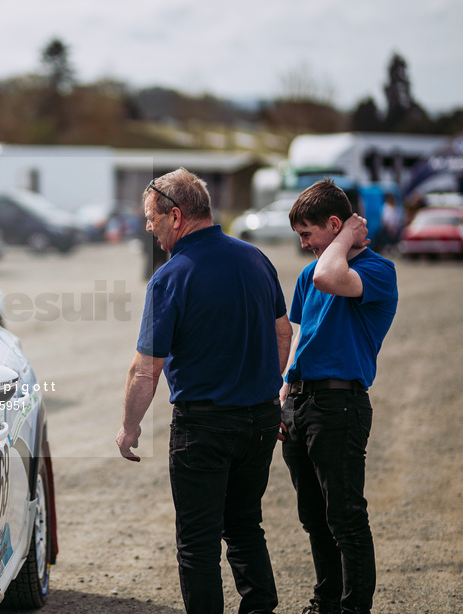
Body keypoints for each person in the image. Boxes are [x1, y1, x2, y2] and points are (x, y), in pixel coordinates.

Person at [116, 168, 293, 614]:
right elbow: (283, 335)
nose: (149, 228)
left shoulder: (171, 277)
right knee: (245, 525)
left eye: (152, 219)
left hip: (205, 425)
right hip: (259, 419)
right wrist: (265, 394)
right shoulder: (256, 259)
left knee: (197, 544)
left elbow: (145, 370)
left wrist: (129, 427)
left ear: (175, 216)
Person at [280, 179, 398, 614]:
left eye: (309, 234)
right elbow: (298, 337)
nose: (306, 244)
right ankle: (325, 603)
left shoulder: (377, 272)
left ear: (334, 224)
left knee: (345, 518)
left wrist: (348, 235)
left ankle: (352, 610)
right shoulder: (308, 276)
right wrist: (284, 395)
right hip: (300, 403)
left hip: (339, 404)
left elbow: (332, 275)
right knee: (313, 519)